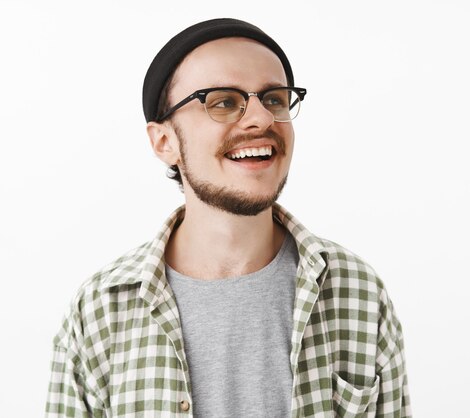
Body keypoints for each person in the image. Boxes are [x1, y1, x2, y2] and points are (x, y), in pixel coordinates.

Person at [46, 18, 411, 417]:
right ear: (164, 142)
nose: (261, 118)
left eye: (274, 98)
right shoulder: (99, 311)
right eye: (223, 102)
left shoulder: (358, 292)